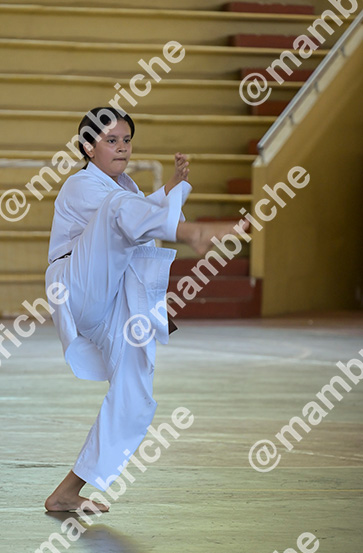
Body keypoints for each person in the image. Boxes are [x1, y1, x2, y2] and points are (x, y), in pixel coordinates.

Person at [44, 107, 245, 512]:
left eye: (126, 140)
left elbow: (138, 219)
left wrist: (170, 188)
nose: (122, 148)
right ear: (88, 147)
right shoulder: (81, 185)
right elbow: (123, 216)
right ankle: (191, 232)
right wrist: (179, 221)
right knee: (117, 209)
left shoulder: (126, 190)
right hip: (78, 285)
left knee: (135, 393)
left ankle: (66, 492)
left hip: (114, 297)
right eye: (110, 141)